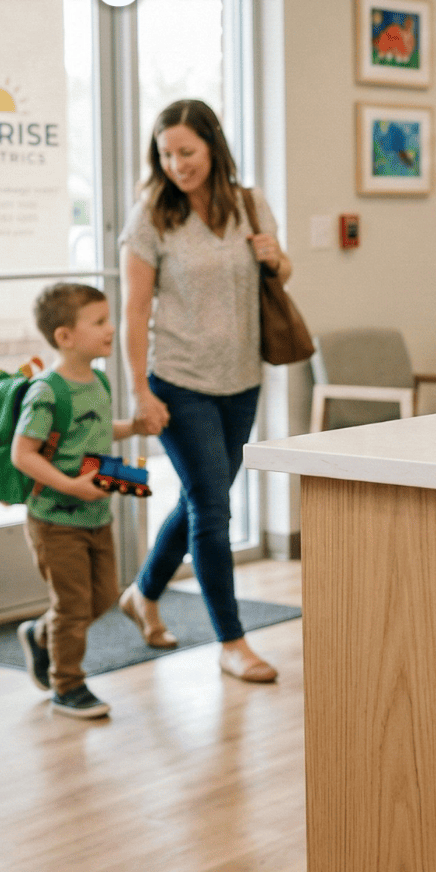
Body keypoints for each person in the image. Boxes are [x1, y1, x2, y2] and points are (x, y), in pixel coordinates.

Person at [119, 99, 290, 684]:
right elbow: (134, 311)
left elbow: (280, 275)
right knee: (213, 510)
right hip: (179, 381)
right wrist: (140, 391)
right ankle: (232, 642)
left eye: (186, 152)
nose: (177, 165)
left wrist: (278, 259)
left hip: (242, 380)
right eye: (166, 154)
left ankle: (143, 593)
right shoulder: (151, 216)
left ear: (213, 146)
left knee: (201, 499)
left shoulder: (249, 204)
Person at [12, 283, 145, 719]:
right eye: (99, 322)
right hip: (55, 520)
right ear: (65, 336)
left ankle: (40, 634)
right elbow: (23, 454)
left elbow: (96, 431)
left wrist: (133, 427)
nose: (111, 329)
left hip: (96, 515)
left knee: (103, 596)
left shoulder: (99, 381)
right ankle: (67, 685)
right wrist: (71, 486)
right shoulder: (47, 391)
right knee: (72, 606)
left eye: (109, 319)